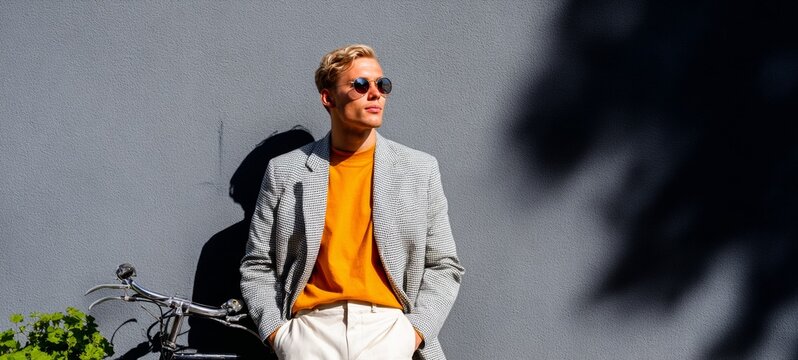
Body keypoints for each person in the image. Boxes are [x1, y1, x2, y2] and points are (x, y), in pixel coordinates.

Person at [240, 44, 464, 360]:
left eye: (382, 84)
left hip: (389, 331)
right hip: (310, 332)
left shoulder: (418, 169)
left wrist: (412, 334)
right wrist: (280, 335)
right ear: (328, 98)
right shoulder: (285, 170)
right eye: (360, 85)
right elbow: (257, 264)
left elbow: (444, 264)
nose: (375, 94)